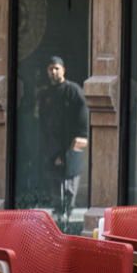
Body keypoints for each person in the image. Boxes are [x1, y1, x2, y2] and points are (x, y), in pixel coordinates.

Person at [37, 56, 88, 222]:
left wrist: (81, 137)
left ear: (63, 70)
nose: (53, 72)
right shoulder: (45, 94)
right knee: (54, 182)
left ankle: (68, 213)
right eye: (51, 68)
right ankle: (58, 212)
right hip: (52, 145)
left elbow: (83, 115)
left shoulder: (73, 90)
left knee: (70, 183)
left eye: (56, 68)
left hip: (71, 144)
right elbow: (43, 120)